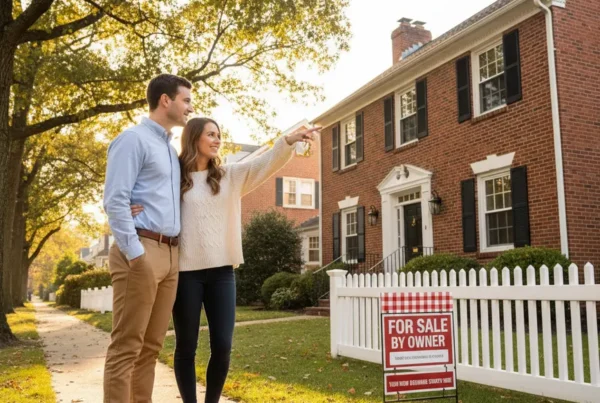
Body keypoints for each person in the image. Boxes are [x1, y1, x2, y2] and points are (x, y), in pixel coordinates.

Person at [130, 117, 318, 403]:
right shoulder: (174, 178)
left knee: (222, 345)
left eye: (219, 134)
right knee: (186, 347)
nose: (217, 140)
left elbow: (265, 163)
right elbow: (147, 191)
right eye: (211, 135)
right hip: (185, 274)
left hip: (221, 273)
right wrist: (129, 205)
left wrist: (289, 141)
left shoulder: (230, 176)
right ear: (194, 139)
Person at [103, 73, 194, 402]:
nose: (190, 107)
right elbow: (115, 200)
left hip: (170, 255)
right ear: (165, 100)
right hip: (141, 250)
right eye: (185, 99)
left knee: (151, 348)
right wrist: (135, 253)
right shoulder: (133, 139)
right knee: (127, 346)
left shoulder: (170, 149)